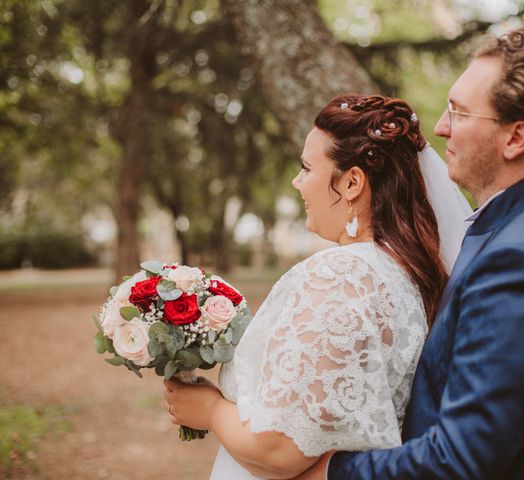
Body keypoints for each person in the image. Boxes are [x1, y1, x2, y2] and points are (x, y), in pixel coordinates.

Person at [297, 28, 524, 480]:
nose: (441, 127)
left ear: (516, 138)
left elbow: (461, 460)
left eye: (460, 113)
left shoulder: (522, 260)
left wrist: (332, 473)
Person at [163, 94, 472, 479]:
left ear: (353, 182)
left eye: (307, 168)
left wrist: (208, 410)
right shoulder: (408, 272)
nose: (298, 182)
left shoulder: (340, 275)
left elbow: (279, 448)